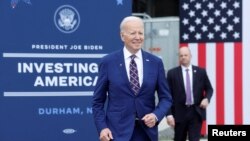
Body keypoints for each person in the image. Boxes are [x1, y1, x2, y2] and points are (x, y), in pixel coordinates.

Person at [92, 16, 172, 141]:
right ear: (122, 36)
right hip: (117, 133)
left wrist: (156, 116)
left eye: (140, 33)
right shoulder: (108, 62)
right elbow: (97, 102)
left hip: (146, 133)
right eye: (133, 33)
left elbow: (166, 98)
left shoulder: (155, 63)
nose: (138, 37)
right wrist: (102, 127)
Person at [166, 46, 213, 141]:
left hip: (195, 112)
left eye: (186, 55)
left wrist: (207, 98)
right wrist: (169, 114)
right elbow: (167, 95)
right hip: (179, 113)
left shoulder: (200, 72)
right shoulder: (172, 74)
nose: (183, 57)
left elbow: (209, 88)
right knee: (179, 138)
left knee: (194, 139)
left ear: (190, 56)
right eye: (181, 55)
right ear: (179, 57)